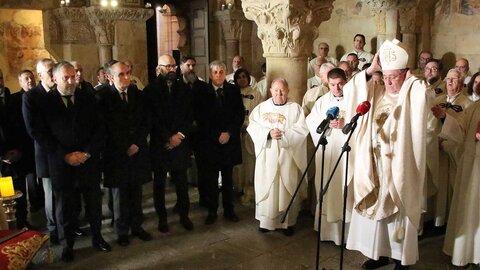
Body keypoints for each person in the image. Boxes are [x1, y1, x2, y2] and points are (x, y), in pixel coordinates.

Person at [344, 39, 429, 269]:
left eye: (395, 77)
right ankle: (377, 254)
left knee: (397, 211)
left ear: (405, 74)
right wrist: (371, 71)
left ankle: (402, 258)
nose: (389, 82)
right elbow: (351, 89)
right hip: (374, 163)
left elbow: (423, 94)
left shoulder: (412, 93)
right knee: (375, 211)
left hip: (398, 165)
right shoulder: (377, 92)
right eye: (386, 76)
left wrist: (411, 80)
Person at [39, 61, 110, 261]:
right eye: (66, 78)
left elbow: (99, 129)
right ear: (54, 78)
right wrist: (65, 155)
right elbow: (42, 135)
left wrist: (87, 153)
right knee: (65, 208)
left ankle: (98, 238)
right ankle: (67, 245)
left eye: (73, 76)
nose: (71, 81)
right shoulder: (46, 102)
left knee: (94, 203)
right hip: (62, 164)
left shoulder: (88, 98)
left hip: (88, 161)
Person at [96, 61, 152, 247]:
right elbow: (106, 127)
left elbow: (145, 121)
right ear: (110, 77)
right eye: (121, 74)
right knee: (119, 195)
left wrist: (136, 143)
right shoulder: (102, 98)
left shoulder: (138, 94)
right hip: (116, 154)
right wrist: (124, 146)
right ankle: (122, 230)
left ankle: (137, 226)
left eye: (128, 73)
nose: (126, 77)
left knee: (136, 192)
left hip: (137, 151)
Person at [247, 78, 309, 236]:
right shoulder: (262, 108)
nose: (279, 93)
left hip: (287, 155)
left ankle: (287, 223)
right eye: (276, 90)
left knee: (285, 186)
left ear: (288, 91)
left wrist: (285, 135)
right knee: (267, 185)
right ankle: (266, 222)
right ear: (271, 91)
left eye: (282, 90)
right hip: (267, 155)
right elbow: (253, 125)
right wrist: (267, 133)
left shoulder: (295, 109)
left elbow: (302, 129)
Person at [143, 54, 195, 233]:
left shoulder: (185, 89)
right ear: (159, 68)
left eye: (174, 66)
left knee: (182, 183)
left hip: (180, 143)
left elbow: (190, 116)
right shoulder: (150, 90)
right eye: (168, 66)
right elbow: (152, 119)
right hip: (161, 145)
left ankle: (184, 215)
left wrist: (179, 136)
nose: (172, 69)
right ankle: (162, 218)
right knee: (160, 185)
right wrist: (168, 138)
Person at [194, 60, 244, 225]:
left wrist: (229, 132)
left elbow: (239, 114)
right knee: (211, 180)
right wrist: (216, 135)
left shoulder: (233, 90)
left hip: (229, 142)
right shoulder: (202, 92)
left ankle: (229, 210)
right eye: (215, 72)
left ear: (225, 73)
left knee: (228, 179)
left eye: (221, 72)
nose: (218, 75)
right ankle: (212, 211)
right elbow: (201, 118)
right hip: (211, 143)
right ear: (210, 75)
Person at [305, 68, 349, 245]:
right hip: (328, 152)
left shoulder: (353, 100)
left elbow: (362, 123)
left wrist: (344, 124)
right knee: (326, 187)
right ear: (327, 84)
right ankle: (327, 231)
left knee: (344, 189)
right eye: (332, 84)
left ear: (346, 81)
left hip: (346, 154)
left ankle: (346, 234)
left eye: (340, 84)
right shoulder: (322, 102)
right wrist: (327, 126)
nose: (336, 88)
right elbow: (311, 121)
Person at [440, 101, 480, 267]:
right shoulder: (475, 106)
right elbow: (459, 129)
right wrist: (444, 118)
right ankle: (469, 252)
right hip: (472, 167)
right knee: (470, 208)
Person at [430, 69, 472, 227]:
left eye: (454, 79)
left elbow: (464, 130)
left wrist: (445, 118)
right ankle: (432, 218)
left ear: (461, 83)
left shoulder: (468, 104)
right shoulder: (437, 99)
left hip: (452, 151)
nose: (449, 82)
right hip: (435, 148)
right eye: (448, 79)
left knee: (449, 187)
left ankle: (445, 221)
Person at [23, 58, 58, 244]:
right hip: (46, 154)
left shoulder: (59, 93)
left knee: (66, 192)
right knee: (50, 194)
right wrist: (57, 149)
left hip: (63, 153)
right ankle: (54, 230)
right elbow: (33, 130)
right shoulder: (31, 97)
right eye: (49, 71)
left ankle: (69, 225)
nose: (53, 74)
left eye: (54, 70)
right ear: (40, 75)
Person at [4, 70, 37, 228]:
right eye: (26, 78)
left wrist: (18, 149)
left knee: (21, 191)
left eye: (1, 78)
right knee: (9, 193)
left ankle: (23, 221)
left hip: (19, 150)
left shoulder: (11, 98)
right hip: (4, 155)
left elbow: (18, 126)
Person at [232, 68, 262, 205]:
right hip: (235, 132)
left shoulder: (256, 94)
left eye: (244, 76)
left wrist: (247, 125)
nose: (242, 79)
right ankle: (237, 187)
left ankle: (250, 188)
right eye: (239, 77)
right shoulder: (232, 93)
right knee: (238, 163)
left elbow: (259, 113)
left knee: (250, 162)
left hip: (250, 132)